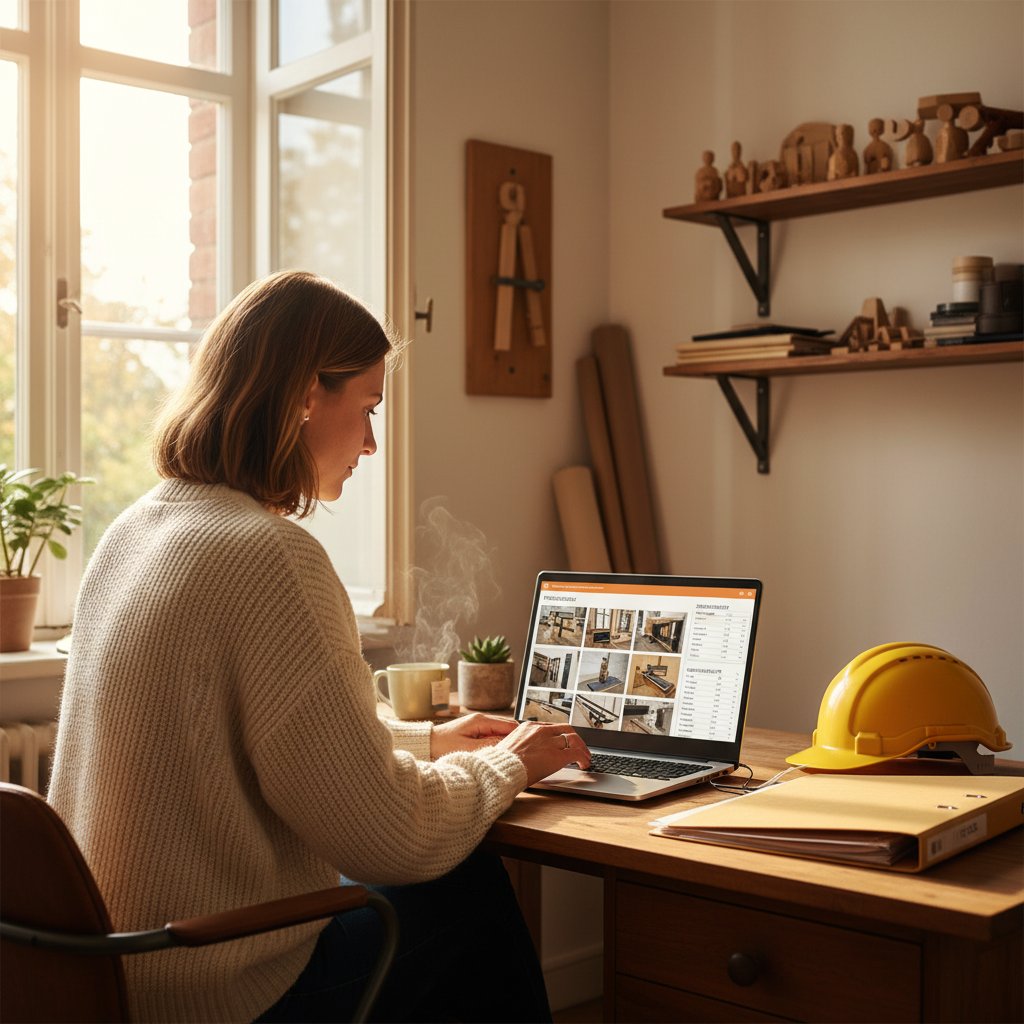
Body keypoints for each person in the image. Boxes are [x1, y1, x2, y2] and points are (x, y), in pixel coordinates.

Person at [47, 270, 591, 1023]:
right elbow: (389, 837)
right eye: (367, 407)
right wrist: (509, 763)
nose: (370, 442)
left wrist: (428, 741)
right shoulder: (270, 555)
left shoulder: (137, 530)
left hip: (109, 969)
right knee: (460, 886)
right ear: (307, 394)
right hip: (209, 986)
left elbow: (245, 745)